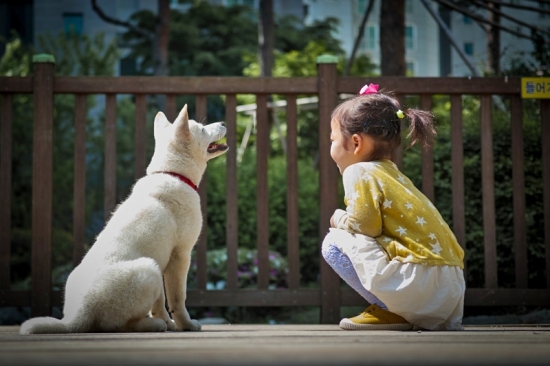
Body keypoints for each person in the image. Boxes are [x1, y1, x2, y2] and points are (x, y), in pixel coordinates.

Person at [322, 84, 465, 331]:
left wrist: (339, 218)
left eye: (333, 139)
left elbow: (366, 227)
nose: (331, 147)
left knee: (333, 242)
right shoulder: (392, 173)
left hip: (416, 284)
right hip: (450, 288)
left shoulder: (358, 170)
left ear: (356, 143)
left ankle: (391, 310)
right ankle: (400, 310)